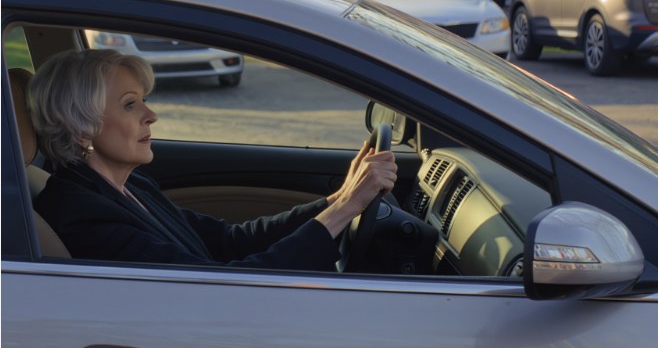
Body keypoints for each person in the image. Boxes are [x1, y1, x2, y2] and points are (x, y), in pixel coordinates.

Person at [29, 49, 397, 271]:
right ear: (81, 127)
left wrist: (337, 199)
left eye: (143, 99)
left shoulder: (129, 186)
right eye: (130, 104)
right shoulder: (80, 214)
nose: (151, 114)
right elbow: (213, 286)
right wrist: (345, 212)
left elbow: (227, 241)